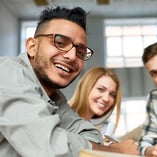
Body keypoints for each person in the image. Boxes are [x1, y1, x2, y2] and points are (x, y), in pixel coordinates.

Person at [0, 6, 138, 157]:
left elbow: (92, 137)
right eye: (60, 42)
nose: (72, 56)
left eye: (80, 52)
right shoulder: (8, 73)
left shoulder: (56, 98)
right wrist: (114, 150)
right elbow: (50, 149)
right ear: (32, 47)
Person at [69, 67, 121, 141]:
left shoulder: (90, 129)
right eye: (101, 89)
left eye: (112, 94)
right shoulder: (62, 119)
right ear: (86, 87)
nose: (106, 99)